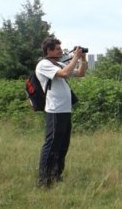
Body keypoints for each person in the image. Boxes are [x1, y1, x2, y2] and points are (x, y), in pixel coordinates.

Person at [35, 37, 87, 188]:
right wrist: (75, 57)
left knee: (63, 145)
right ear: (49, 51)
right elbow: (64, 74)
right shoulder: (43, 64)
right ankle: (44, 180)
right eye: (57, 49)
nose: (60, 51)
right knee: (51, 144)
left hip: (65, 110)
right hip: (54, 111)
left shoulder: (59, 63)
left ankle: (56, 175)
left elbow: (80, 73)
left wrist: (82, 59)